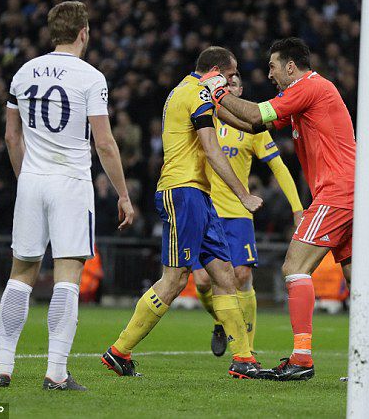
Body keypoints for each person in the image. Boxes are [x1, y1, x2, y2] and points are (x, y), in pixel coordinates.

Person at [200, 37, 369, 381]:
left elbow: (256, 112)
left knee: (294, 267)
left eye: (273, 66)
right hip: (351, 191)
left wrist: (218, 91)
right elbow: (252, 125)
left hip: (337, 191)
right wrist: (213, 105)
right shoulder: (308, 96)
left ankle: (302, 357)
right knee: (358, 278)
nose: (269, 74)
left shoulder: (309, 87)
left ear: (290, 66)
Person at [0, 1, 134, 390]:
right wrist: (123, 194)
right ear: (84, 33)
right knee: (67, 274)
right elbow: (104, 143)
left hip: (32, 182)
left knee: (21, 273)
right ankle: (56, 373)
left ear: (52, 32)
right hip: (70, 183)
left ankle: (2, 368)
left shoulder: (23, 72)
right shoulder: (91, 77)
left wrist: (26, 179)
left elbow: (11, 136)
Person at [101, 47, 268, 379]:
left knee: (224, 275)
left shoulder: (191, 91)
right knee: (175, 279)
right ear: (216, 71)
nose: (231, 82)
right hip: (182, 192)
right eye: (229, 75)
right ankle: (119, 351)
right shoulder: (196, 93)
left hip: (198, 194)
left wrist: (276, 114)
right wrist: (243, 195)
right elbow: (212, 148)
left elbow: (247, 124)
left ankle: (243, 358)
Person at [193, 73, 303, 357]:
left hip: (238, 214)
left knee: (241, 276)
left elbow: (278, 167)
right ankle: (220, 321)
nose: (227, 87)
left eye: (232, 84)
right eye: (223, 84)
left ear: (240, 90)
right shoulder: (205, 117)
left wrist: (297, 208)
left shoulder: (252, 127)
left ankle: (248, 352)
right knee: (202, 281)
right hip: (206, 210)